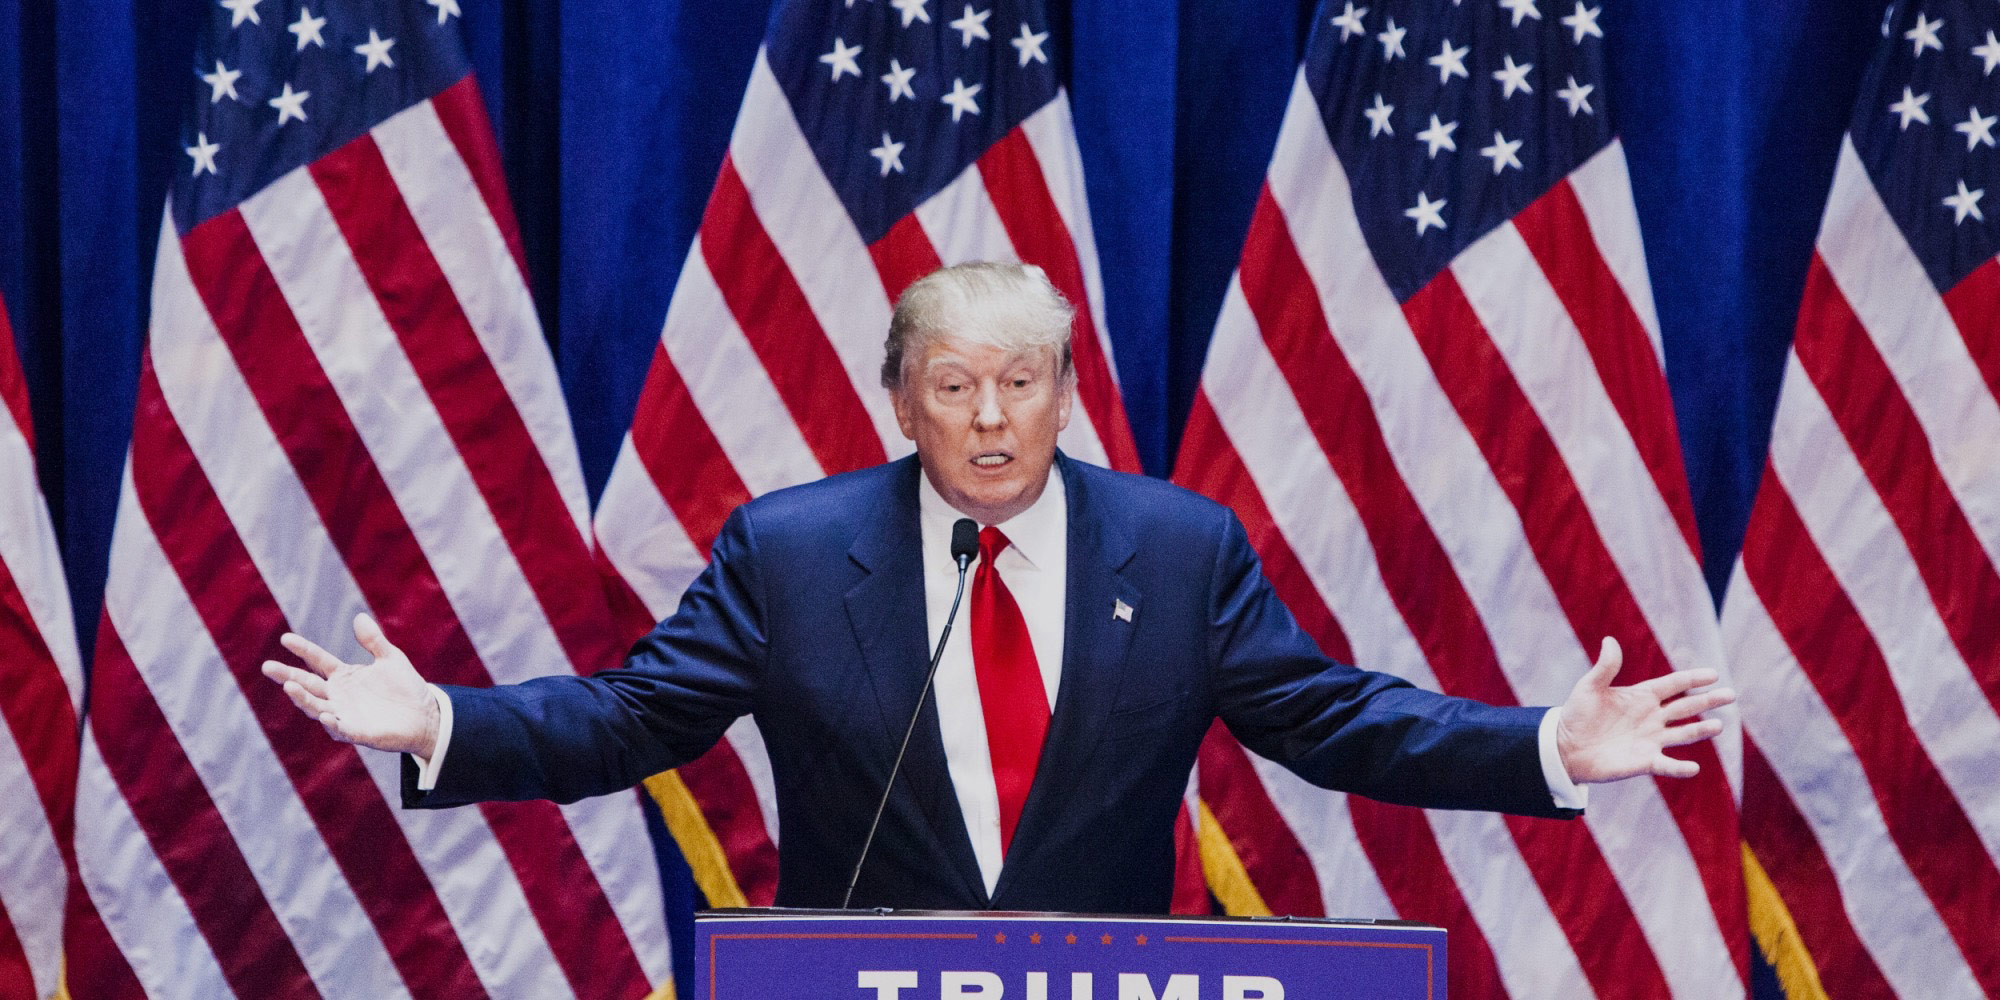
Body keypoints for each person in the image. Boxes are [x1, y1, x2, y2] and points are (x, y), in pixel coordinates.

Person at [262, 261, 1734, 913]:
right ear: (899, 401)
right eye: (954, 384)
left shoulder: (1178, 549)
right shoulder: (784, 550)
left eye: (1021, 384)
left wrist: (1548, 743)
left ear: (1065, 397)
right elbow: (634, 721)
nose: (987, 418)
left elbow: (1336, 721)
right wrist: (439, 723)